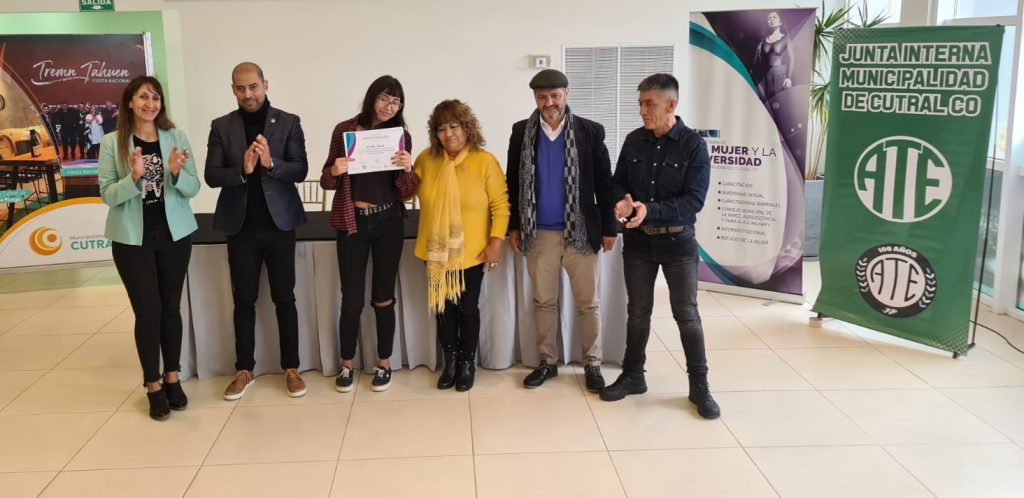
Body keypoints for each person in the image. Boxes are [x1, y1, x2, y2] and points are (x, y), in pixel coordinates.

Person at [601, 73, 720, 420]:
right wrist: (622, 201)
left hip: (678, 243)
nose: (642, 110)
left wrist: (648, 210)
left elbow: (694, 201)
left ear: (671, 105)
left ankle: (699, 385)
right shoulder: (634, 140)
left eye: (649, 104)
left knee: (687, 315)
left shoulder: (693, 146)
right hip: (638, 243)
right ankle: (633, 376)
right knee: (638, 312)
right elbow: (617, 182)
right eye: (640, 103)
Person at [506, 69, 617, 392]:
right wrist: (515, 225)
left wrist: (609, 228)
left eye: (555, 96)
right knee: (544, 302)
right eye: (542, 97)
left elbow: (605, 182)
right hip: (538, 233)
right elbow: (512, 181)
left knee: (588, 303)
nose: (549, 103)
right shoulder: (521, 132)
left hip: (581, 232)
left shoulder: (590, 131)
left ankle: (592, 364)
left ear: (567, 93)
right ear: (535, 98)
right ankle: (547, 361)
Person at [204, 62, 309, 400]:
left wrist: (271, 164)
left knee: (285, 298)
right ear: (233, 89)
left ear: (265, 84)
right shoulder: (221, 126)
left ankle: (291, 368)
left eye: (253, 86)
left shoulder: (289, 122)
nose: (247, 94)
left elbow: (300, 169)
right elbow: (211, 175)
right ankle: (244, 369)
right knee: (244, 300)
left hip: (280, 226)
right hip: (241, 228)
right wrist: (243, 169)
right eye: (240, 88)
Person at [98, 76, 200, 421]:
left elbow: (193, 187)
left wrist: (175, 173)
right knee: (147, 312)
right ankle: (152, 384)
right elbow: (107, 194)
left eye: (155, 97)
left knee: (171, 308)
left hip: (174, 234)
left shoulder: (176, 137)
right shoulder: (112, 143)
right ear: (130, 102)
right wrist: (133, 178)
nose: (150, 103)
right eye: (143, 97)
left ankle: (172, 377)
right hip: (132, 239)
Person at [320, 75, 416, 393]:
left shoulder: (400, 136)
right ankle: (346, 365)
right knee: (351, 299)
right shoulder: (344, 131)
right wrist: (335, 170)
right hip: (352, 222)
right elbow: (326, 180)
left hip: (388, 222)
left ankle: (384, 363)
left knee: (383, 297)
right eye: (384, 98)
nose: (389, 106)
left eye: (396, 101)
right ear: (372, 98)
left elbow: (406, 191)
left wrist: (407, 168)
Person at [414, 99, 510, 392]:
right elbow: (404, 192)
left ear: (467, 128)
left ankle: (467, 362)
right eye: (441, 129)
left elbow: (501, 205)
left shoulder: (484, 161)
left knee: (468, 308)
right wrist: (400, 168)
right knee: (443, 309)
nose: (448, 134)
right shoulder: (426, 160)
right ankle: (451, 362)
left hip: (472, 253)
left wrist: (496, 243)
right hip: (435, 252)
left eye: (454, 126)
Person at [753, 11, 793, 101]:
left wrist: (788, 78)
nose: (771, 19)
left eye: (774, 17)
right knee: (762, 103)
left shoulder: (786, 38)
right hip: (763, 77)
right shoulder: (762, 41)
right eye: (769, 18)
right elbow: (756, 61)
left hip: (778, 76)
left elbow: (791, 59)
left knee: (777, 103)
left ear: (780, 22)